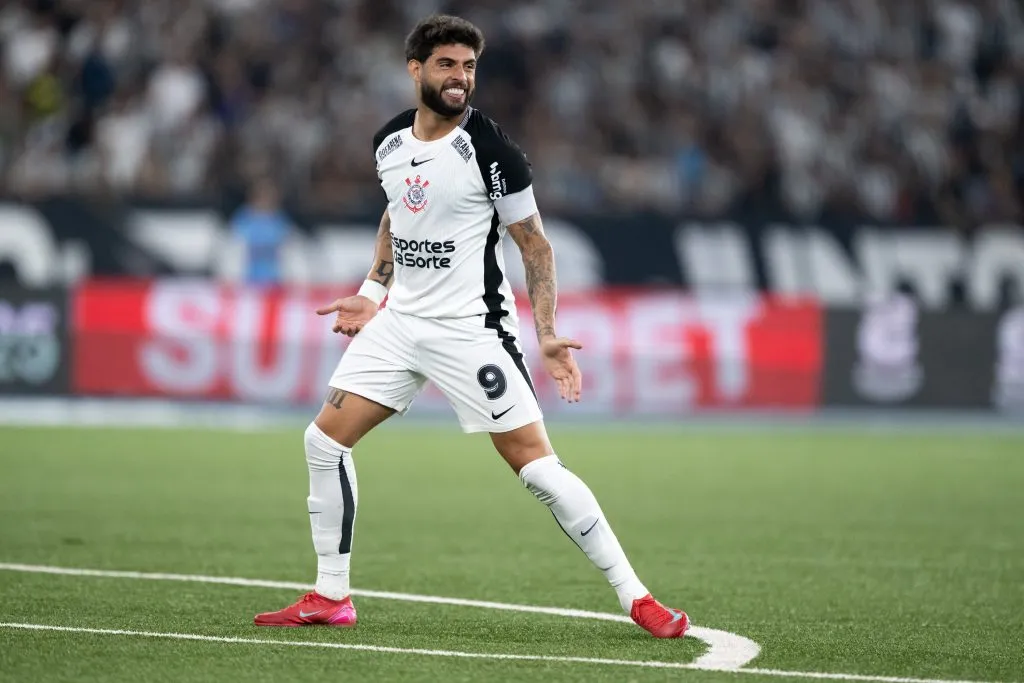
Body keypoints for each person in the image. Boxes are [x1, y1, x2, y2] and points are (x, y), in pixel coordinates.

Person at [253, 14, 689, 639]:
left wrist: (546, 332)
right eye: (448, 65)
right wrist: (372, 291)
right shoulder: (389, 143)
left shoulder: (494, 152)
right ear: (416, 70)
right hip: (400, 325)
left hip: (471, 330)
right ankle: (331, 596)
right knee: (323, 443)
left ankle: (636, 597)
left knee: (536, 467)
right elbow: (397, 215)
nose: (461, 78)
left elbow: (534, 246)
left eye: (469, 67)